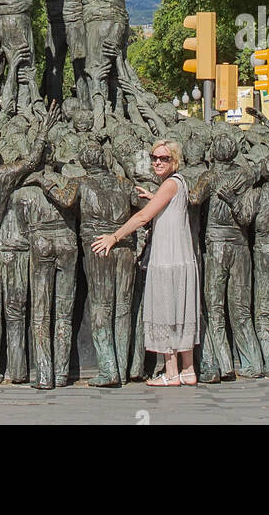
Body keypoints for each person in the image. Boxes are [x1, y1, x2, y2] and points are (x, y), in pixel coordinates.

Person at [91, 138, 200, 386]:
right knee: (180, 312)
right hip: (181, 258)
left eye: (164, 158)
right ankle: (188, 370)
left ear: (175, 161)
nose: (158, 162)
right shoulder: (177, 183)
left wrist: (114, 237)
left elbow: (143, 217)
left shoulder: (170, 184)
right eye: (154, 158)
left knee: (166, 310)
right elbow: (167, 203)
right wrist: (155, 195)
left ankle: (171, 373)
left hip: (167, 259)